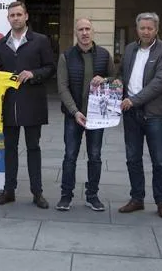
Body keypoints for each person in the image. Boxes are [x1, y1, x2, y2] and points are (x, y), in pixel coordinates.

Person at [0, 1, 56, 209]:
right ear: (8, 18)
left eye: (19, 14)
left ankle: (37, 193)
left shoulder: (40, 40)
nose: (16, 18)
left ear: (26, 16)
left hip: (33, 103)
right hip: (9, 104)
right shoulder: (2, 43)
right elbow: (0, 70)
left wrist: (33, 74)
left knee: (33, 148)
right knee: (9, 149)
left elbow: (50, 68)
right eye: (12, 15)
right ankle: (8, 191)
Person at [118, 12, 162, 219]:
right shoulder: (130, 49)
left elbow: (159, 82)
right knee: (132, 158)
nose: (146, 31)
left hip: (154, 114)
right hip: (131, 113)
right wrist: (113, 83)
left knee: (159, 160)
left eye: (150, 28)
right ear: (137, 29)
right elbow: (122, 74)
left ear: (156, 30)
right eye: (142, 28)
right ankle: (137, 198)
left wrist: (134, 99)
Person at [56, 18, 115, 212]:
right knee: (70, 156)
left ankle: (92, 195)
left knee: (95, 156)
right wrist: (75, 111)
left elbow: (115, 80)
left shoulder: (104, 55)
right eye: (80, 29)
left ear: (93, 31)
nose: (84, 33)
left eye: (87, 29)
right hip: (74, 116)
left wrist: (105, 78)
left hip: (97, 117)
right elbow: (62, 87)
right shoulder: (66, 56)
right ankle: (66, 196)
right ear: (75, 32)